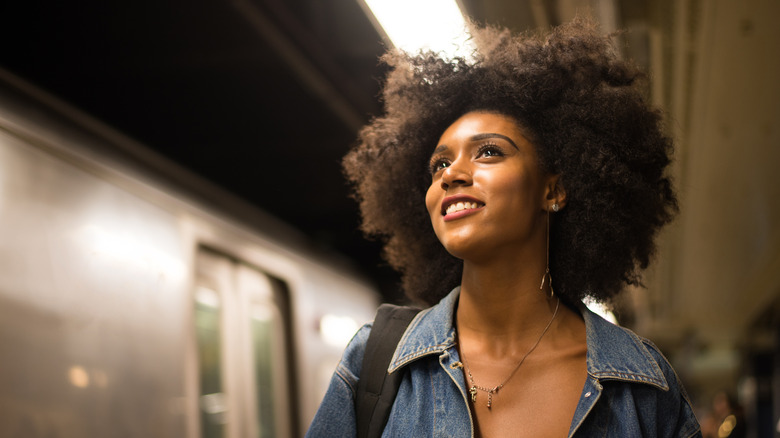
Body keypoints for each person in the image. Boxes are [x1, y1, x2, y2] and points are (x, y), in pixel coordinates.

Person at [307, 17, 701, 437]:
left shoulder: (644, 386)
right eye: (439, 163)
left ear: (554, 190)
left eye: (489, 152)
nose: (451, 174)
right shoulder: (374, 362)